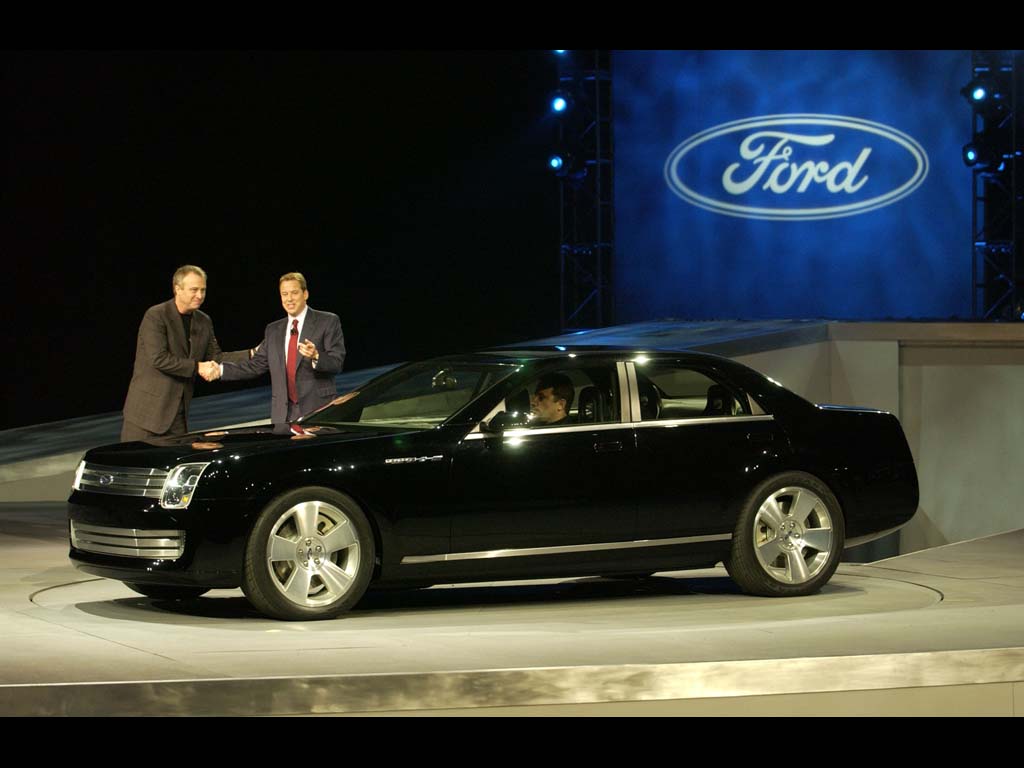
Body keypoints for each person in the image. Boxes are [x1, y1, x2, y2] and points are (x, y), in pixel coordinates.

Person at [121, 265, 249, 441]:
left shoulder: (203, 320)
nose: (200, 295)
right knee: (135, 466)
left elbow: (216, 357)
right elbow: (159, 359)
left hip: (178, 416)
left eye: (203, 290)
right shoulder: (156, 316)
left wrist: (252, 353)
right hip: (146, 416)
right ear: (177, 289)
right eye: (194, 290)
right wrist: (197, 367)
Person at [204, 272, 345, 423]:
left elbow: (337, 363)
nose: (289, 299)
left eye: (294, 293)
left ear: (305, 294)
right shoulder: (273, 330)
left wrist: (316, 356)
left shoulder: (327, 321)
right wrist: (220, 370)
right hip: (283, 415)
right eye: (284, 294)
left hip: (318, 408)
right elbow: (256, 366)